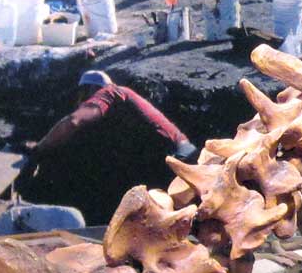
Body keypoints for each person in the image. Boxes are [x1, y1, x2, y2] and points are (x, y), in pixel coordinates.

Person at [18, 69, 199, 224]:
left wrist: (40, 147)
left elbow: (74, 121)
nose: (80, 102)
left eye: (81, 96)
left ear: (89, 90)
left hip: (176, 161)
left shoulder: (109, 93)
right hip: (182, 157)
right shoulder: (121, 104)